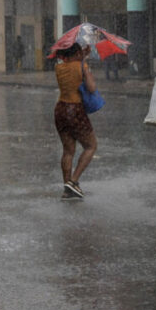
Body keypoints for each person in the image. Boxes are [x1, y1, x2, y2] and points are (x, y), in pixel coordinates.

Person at [53, 43, 98, 200]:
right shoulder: (81, 66)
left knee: (68, 151)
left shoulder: (59, 67)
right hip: (75, 110)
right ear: (78, 52)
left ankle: (67, 189)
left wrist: (81, 57)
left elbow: (72, 66)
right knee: (91, 146)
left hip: (60, 110)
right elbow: (91, 88)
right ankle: (73, 181)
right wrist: (86, 68)